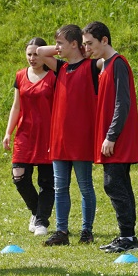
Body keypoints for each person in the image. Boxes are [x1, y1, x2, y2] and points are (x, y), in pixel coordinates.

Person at [82, 21, 138, 253]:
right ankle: (127, 235)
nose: (87, 48)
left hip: (118, 138)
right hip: (114, 137)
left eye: (90, 43)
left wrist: (111, 136)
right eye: (85, 44)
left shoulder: (118, 63)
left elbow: (122, 102)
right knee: (120, 184)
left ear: (105, 40)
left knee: (113, 184)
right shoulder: (105, 64)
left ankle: (128, 237)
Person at [37, 25, 99, 247]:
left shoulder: (92, 67)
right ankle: (61, 231)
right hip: (60, 139)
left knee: (85, 186)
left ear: (75, 44)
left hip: (81, 139)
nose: (57, 48)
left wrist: (84, 51)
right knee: (60, 187)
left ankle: (86, 231)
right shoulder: (61, 67)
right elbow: (41, 52)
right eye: (57, 43)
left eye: (61, 43)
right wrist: (60, 47)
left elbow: (107, 58)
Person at [2, 37, 55, 237]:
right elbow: (16, 106)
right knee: (19, 177)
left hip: (48, 135)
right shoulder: (20, 75)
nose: (32, 58)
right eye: (29, 54)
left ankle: (41, 221)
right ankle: (37, 212)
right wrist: (8, 132)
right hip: (25, 134)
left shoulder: (54, 76)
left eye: (36, 54)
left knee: (46, 182)